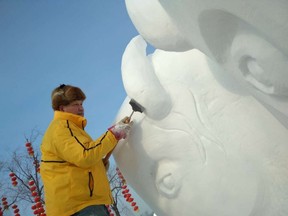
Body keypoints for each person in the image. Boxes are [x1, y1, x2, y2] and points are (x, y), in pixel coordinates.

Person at [40, 84, 132, 216]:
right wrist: (114, 134)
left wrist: (100, 164)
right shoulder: (62, 128)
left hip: (80, 206)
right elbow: (86, 155)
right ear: (62, 108)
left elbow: (81, 162)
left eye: (81, 103)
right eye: (75, 104)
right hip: (79, 207)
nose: (81, 108)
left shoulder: (72, 129)